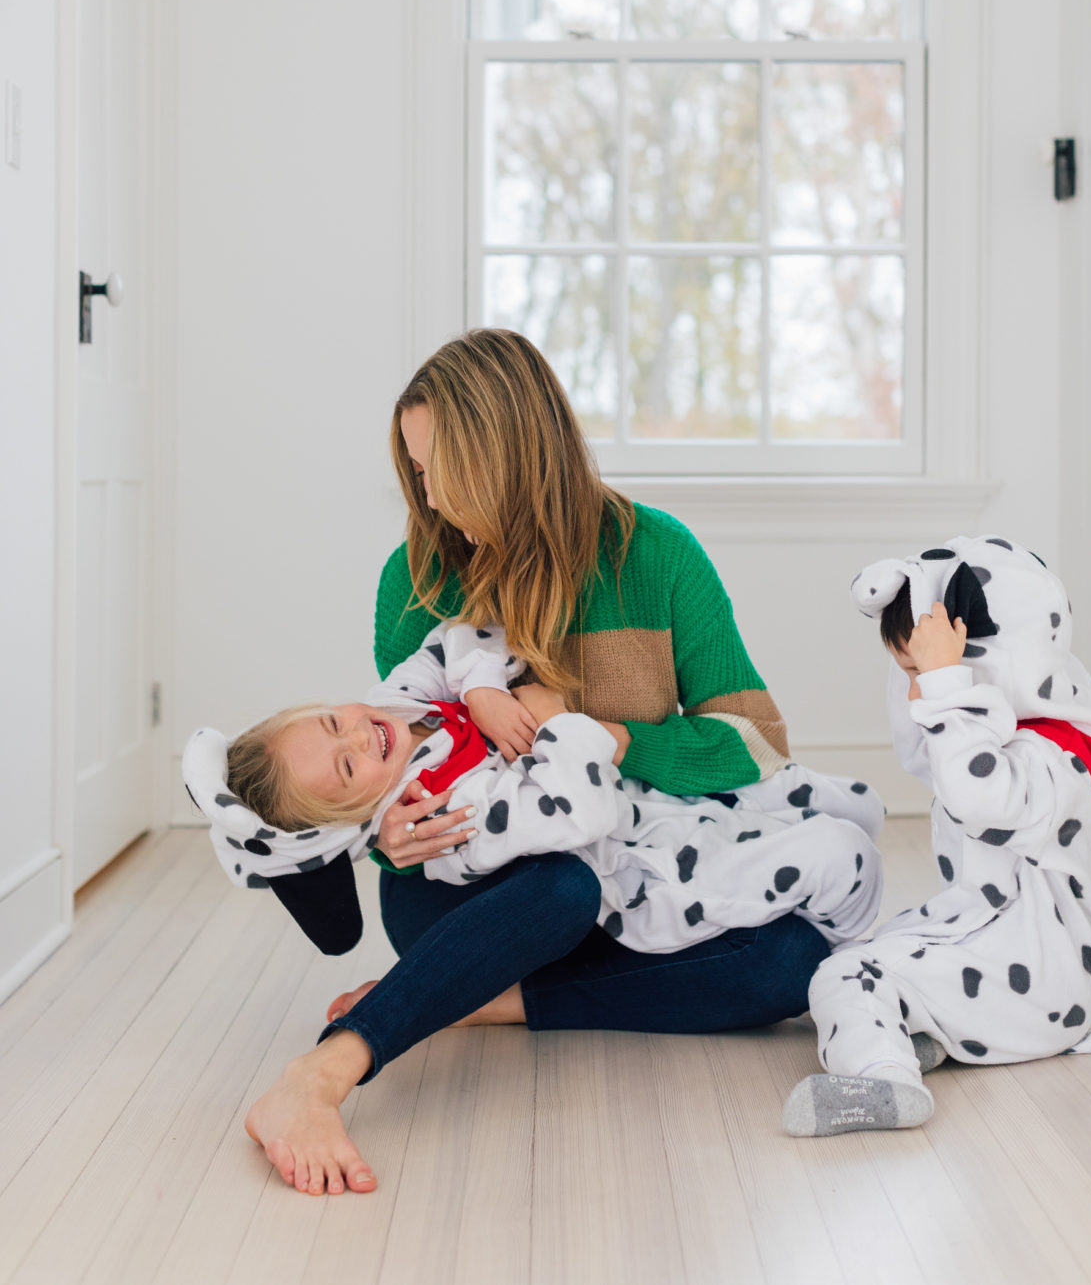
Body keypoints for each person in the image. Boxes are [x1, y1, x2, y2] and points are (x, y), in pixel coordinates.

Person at [241, 327, 838, 1196]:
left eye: (442, 467)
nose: (431, 498)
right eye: (416, 472)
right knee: (552, 890)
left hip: (642, 865)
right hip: (488, 882)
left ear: (516, 455)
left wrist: (608, 733)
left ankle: (492, 997)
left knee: (792, 964)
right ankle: (325, 1072)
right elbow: (384, 767)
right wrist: (388, 841)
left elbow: (757, 750)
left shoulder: (658, 555)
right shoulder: (414, 583)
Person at [184, 621, 884, 960]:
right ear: (348, 821)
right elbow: (578, 813)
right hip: (649, 872)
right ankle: (852, 964)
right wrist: (557, 722)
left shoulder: (396, 704)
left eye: (334, 722)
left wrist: (483, 684)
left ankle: (828, 917)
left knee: (851, 803)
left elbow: (461, 635)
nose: (360, 737)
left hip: (664, 799)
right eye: (345, 769)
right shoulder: (439, 820)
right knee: (841, 853)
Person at [783, 535, 1091, 1139]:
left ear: (991, 662)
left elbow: (975, 797)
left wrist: (946, 684)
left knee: (842, 977)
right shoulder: (1012, 738)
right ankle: (923, 1039)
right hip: (1015, 956)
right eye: (906, 674)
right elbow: (926, 756)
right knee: (869, 954)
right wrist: (937, 682)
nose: (914, 695)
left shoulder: (1050, 758)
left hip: (1039, 980)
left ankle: (886, 1081)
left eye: (919, 676)